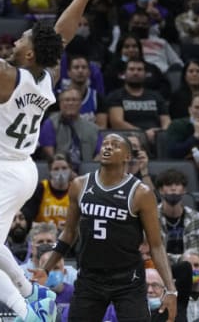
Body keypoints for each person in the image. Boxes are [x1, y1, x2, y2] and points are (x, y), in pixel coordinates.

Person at [0, 0, 103, 322]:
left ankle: (27, 313)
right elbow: (61, 36)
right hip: (21, 171)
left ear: (30, 52)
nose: (15, 40)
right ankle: (32, 292)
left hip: (2, 174)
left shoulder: (2, 73)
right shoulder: (47, 77)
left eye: (21, 39)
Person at [34, 133, 178, 321]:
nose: (107, 147)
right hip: (90, 277)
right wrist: (46, 268)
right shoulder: (80, 185)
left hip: (128, 279)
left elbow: (156, 245)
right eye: (105, 144)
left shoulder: (141, 193)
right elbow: (68, 233)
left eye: (115, 145)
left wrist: (171, 290)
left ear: (127, 156)